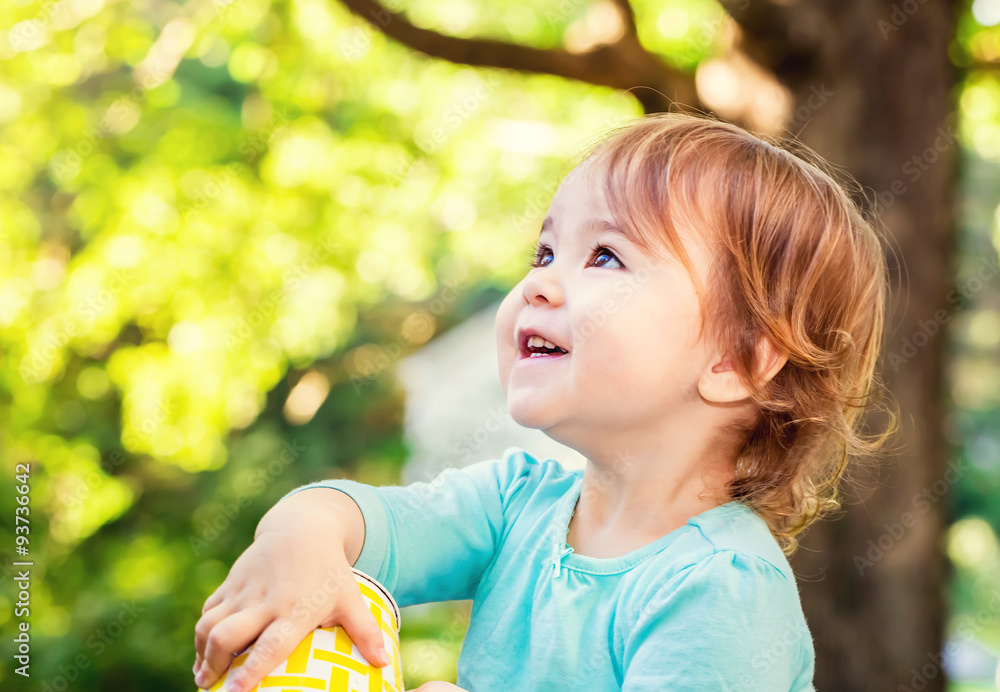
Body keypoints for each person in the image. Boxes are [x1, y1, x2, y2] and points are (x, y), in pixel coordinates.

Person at [193, 111, 897, 692]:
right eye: (545, 252)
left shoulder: (720, 589)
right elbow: (356, 520)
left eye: (605, 258)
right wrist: (302, 543)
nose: (540, 284)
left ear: (737, 361)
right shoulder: (516, 505)